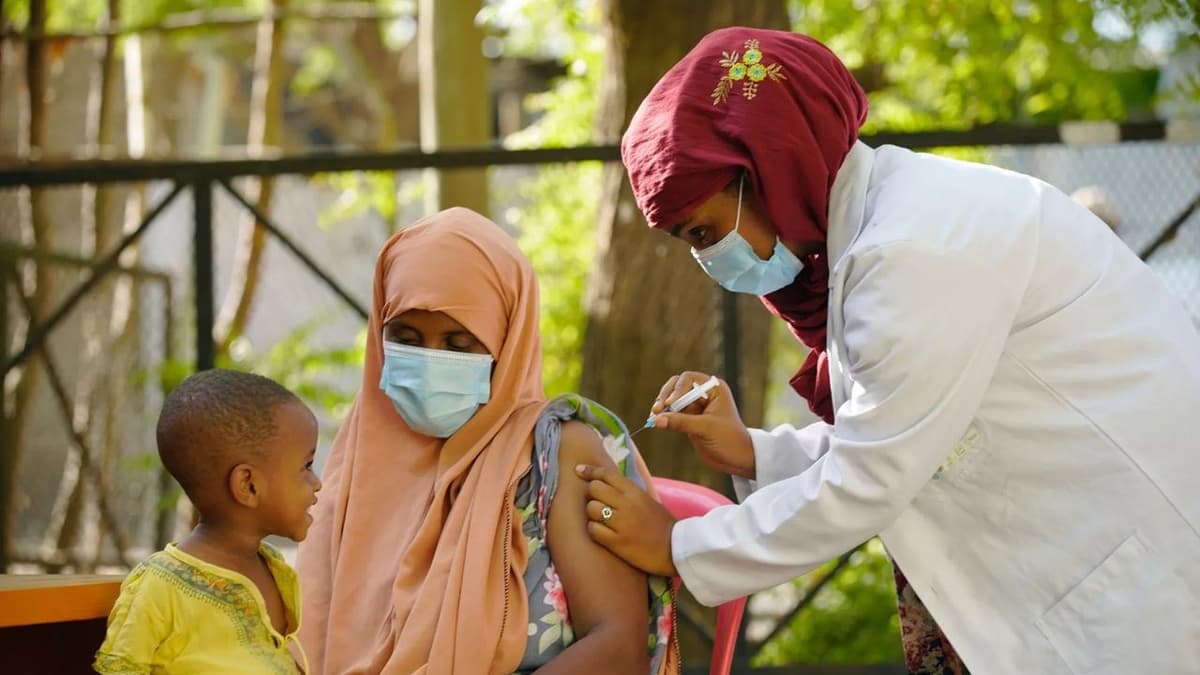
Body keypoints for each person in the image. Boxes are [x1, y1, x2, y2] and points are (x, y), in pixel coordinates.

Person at [574, 26, 1200, 675]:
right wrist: (752, 452)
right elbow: (909, 430)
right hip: (1078, 558)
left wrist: (678, 545)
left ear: (772, 173)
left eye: (706, 233)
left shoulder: (911, 250)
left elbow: (873, 474)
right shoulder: (882, 231)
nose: (709, 262)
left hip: (1126, 577)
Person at [296, 207, 677, 674]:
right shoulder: (358, 462)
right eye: (407, 339)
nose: (431, 360)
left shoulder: (555, 453)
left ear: (506, 344)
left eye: (459, 345)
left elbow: (617, 647)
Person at [94, 369, 321, 674]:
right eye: (307, 466)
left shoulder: (273, 567)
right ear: (248, 485)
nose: (317, 483)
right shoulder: (159, 587)